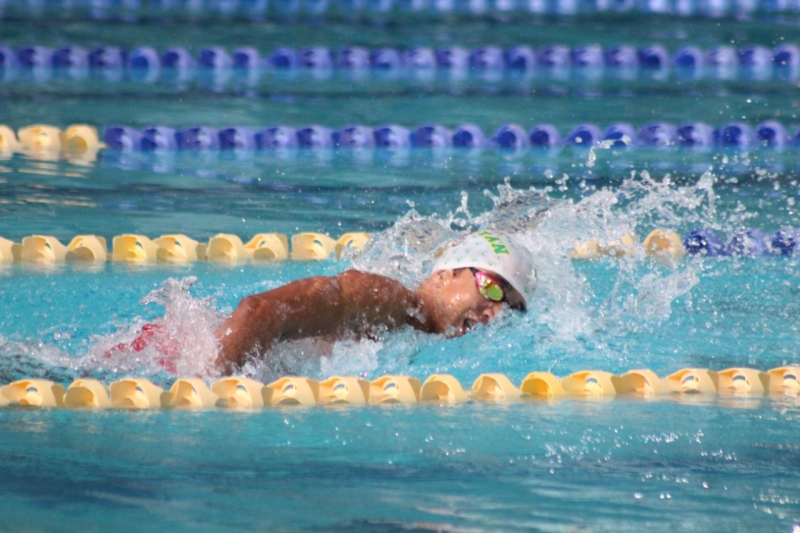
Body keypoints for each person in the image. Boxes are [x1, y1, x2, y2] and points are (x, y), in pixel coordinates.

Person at [108, 229, 537, 374]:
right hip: (165, 362)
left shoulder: (412, 328)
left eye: (509, 306)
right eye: (493, 288)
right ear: (447, 272)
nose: (493, 313)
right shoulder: (388, 301)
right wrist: (204, 394)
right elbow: (258, 311)